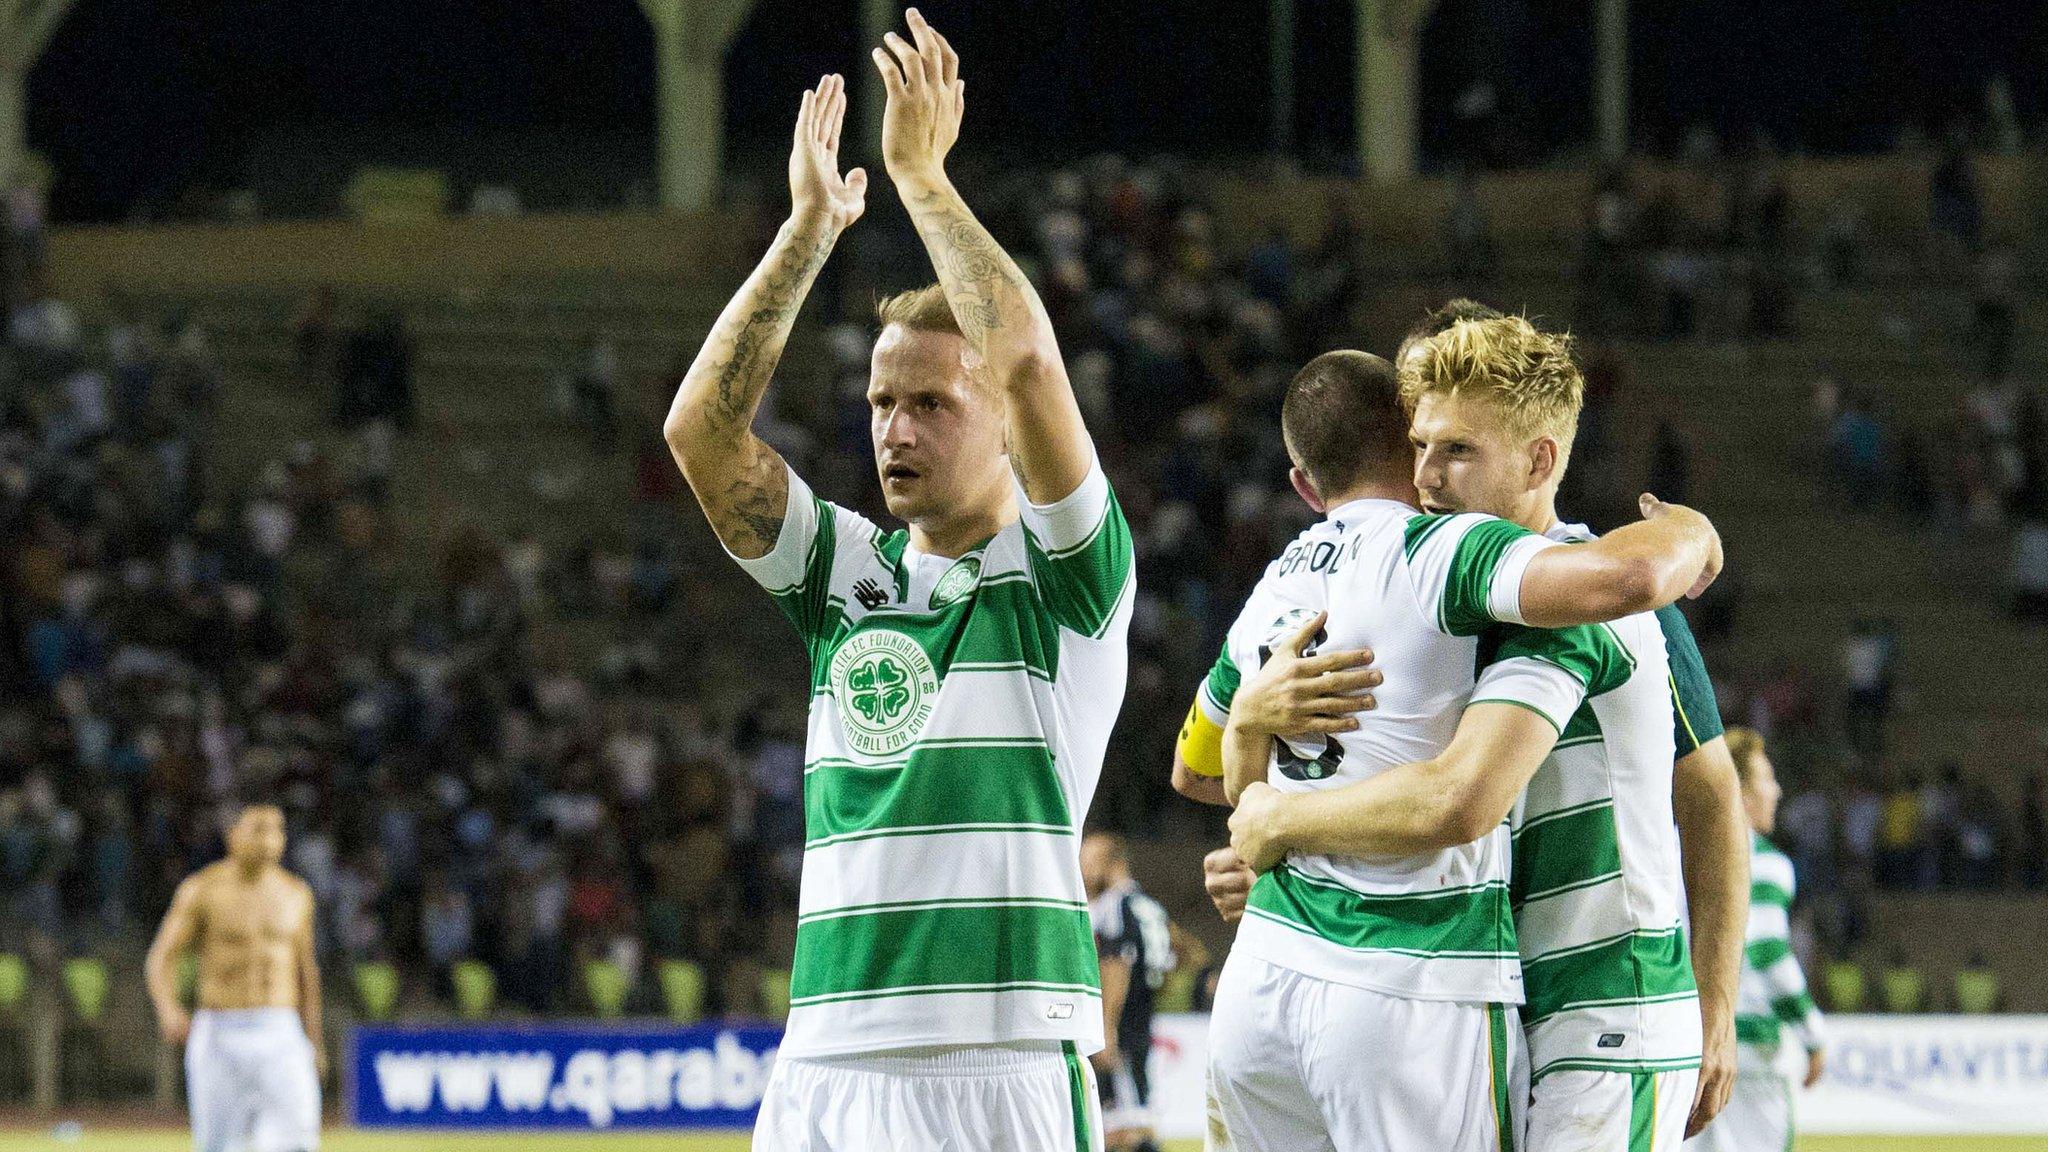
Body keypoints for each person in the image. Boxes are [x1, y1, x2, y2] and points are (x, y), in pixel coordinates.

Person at [663, 12, 1131, 1148]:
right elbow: (700, 438)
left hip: (1002, 1056)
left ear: (1003, 428)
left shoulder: (1068, 574)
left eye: (930, 403)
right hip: (823, 1058)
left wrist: (920, 178)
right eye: (880, 404)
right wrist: (810, 229)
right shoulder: (843, 572)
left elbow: (1020, 351)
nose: (894, 428)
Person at [1189, 302, 1751, 1141]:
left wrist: (1716, 1006)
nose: (1425, 476)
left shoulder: (1584, 595)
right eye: (1418, 444)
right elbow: (1312, 773)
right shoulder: (1432, 595)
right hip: (1496, 992)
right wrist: (1271, 817)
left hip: (1605, 1004)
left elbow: (1708, 795)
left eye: (1456, 450)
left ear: (1537, 459)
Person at [144, 804, 323, 1152]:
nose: (269, 839)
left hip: (280, 1028)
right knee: (218, 1144)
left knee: (299, 1138)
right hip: (220, 1029)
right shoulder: (203, 890)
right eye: (258, 829)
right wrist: (168, 1008)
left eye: (277, 830)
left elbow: (306, 973)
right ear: (233, 835)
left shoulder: (296, 894)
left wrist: (313, 1038)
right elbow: (161, 958)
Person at [1685, 727, 1827, 1152]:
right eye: (1766, 778)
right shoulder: (1763, 862)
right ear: (1742, 793)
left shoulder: (1682, 851)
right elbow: (1768, 952)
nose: (1777, 790)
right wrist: (1813, 1032)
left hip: (1692, 1045)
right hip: (1751, 1053)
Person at [1082, 832, 1173, 1152]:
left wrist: (1107, 1025)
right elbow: (1174, 957)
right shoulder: (1148, 905)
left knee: (1121, 1130)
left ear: (1115, 864)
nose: (1083, 869)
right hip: (1142, 1023)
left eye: (1090, 861)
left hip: (1118, 1028)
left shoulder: (1113, 906)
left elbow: (1116, 962)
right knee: (1136, 1115)